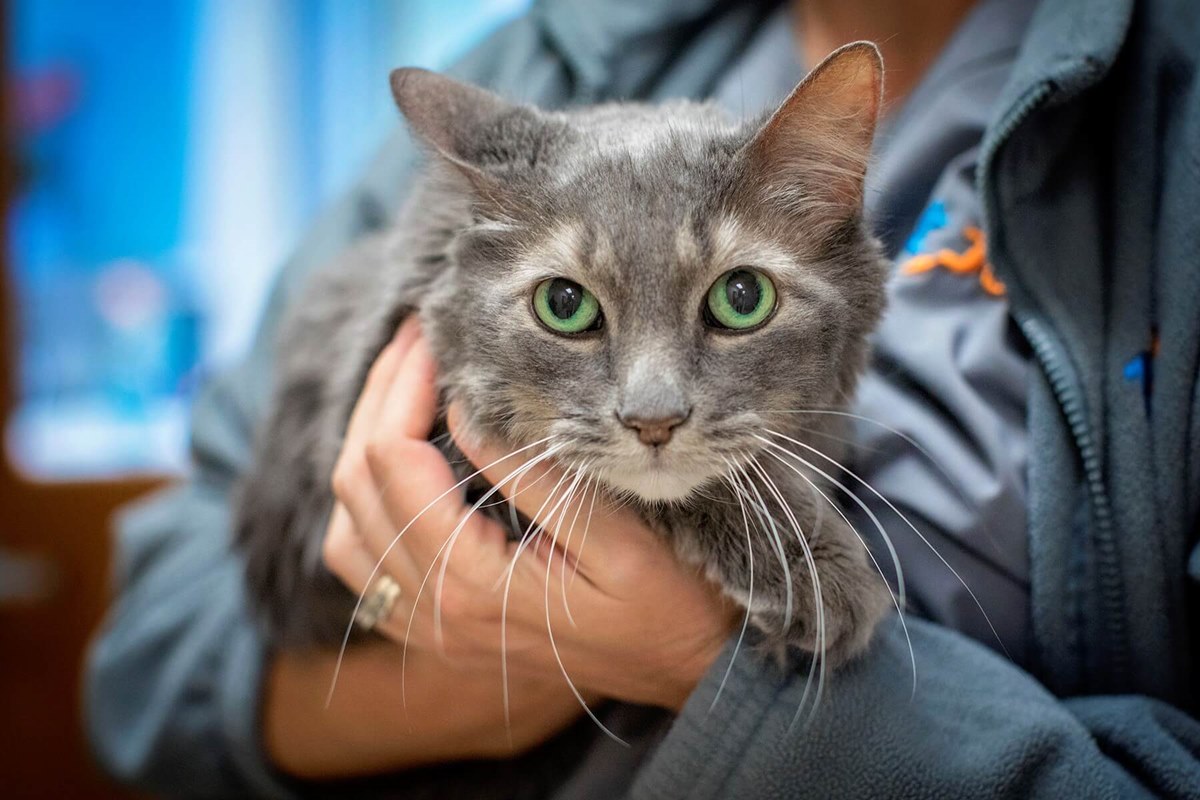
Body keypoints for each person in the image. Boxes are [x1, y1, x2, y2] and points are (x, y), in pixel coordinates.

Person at [85, 0, 1200, 796]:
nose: (653, 410)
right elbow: (154, 660)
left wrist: (698, 661)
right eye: (573, 307)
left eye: (738, 298)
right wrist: (448, 660)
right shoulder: (550, 47)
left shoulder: (1171, 122)